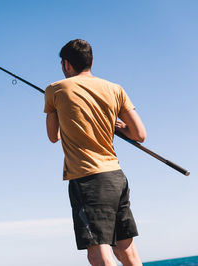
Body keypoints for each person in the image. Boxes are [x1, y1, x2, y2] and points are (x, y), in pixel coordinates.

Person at [44, 39, 146, 266]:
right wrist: (117, 125)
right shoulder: (115, 89)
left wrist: (56, 109)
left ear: (67, 64)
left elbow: (54, 136)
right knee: (126, 252)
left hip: (87, 179)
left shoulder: (55, 89)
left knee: (98, 254)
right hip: (116, 177)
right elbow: (139, 134)